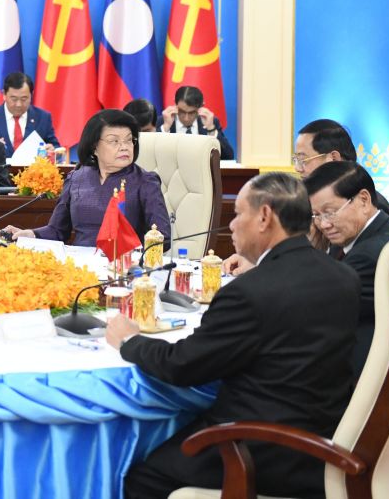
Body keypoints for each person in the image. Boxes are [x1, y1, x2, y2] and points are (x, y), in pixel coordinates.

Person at [109, 172, 361, 499]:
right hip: (324, 440)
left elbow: (183, 366)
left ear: (264, 217)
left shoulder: (249, 292)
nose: (231, 225)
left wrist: (130, 340)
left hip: (258, 448)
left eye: (238, 213)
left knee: (142, 478)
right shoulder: (344, 276)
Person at [3, 109, 168, 246]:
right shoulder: (76, 178)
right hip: (80, 265)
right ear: (94, 147)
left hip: (122, 268)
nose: (124, 147)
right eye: (114, 141)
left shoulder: (145, 182)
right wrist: (29, 234)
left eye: (129, 140)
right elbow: (57, 230)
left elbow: (163, 238)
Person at [302, 162, 389, 376]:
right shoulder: (353, 235)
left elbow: (315, 306)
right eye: (315, 215)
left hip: (352, 377)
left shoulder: (370, 255)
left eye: (329, 212)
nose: (323, 224)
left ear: (363, 200)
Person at [294, 119, 389, 219]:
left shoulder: (372, 206)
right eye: (296, 160)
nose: (297, 168)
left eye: (303, 159)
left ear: (333, 158)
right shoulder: (308, 201)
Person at [0, 72, 59, 158]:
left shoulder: (43, 117)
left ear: (31, 95)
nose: (19, 104)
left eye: (24, 99)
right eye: (14, 99)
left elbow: (56, 148)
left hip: (33, 170)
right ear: (4, 95)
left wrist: (52, 151)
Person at [160, 84, 235, 160]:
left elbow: (228, 156)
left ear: (201, 107)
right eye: (182, 112)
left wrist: (211, 130)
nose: (186, 118)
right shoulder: (163, 121)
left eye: (192, 113)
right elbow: (153, 156)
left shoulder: (210, 122)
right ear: (175, 105)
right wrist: (165, 128)